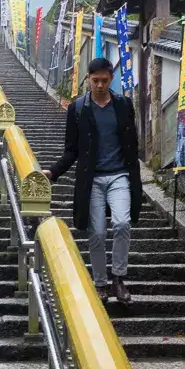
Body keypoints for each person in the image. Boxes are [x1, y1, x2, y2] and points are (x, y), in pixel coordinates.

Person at [43, 57, 143, 304]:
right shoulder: (78, 108)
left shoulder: (123, 105)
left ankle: (118, 278)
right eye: (95, 80)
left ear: (111, 79)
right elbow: (71, 150)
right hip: (93, 179)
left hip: (120, 175)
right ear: (88, 79)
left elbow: (132, 143)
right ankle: (100, 283)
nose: (99, 85)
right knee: (96, 232)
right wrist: (53, 172)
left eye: (104, 80)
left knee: (121, 223)